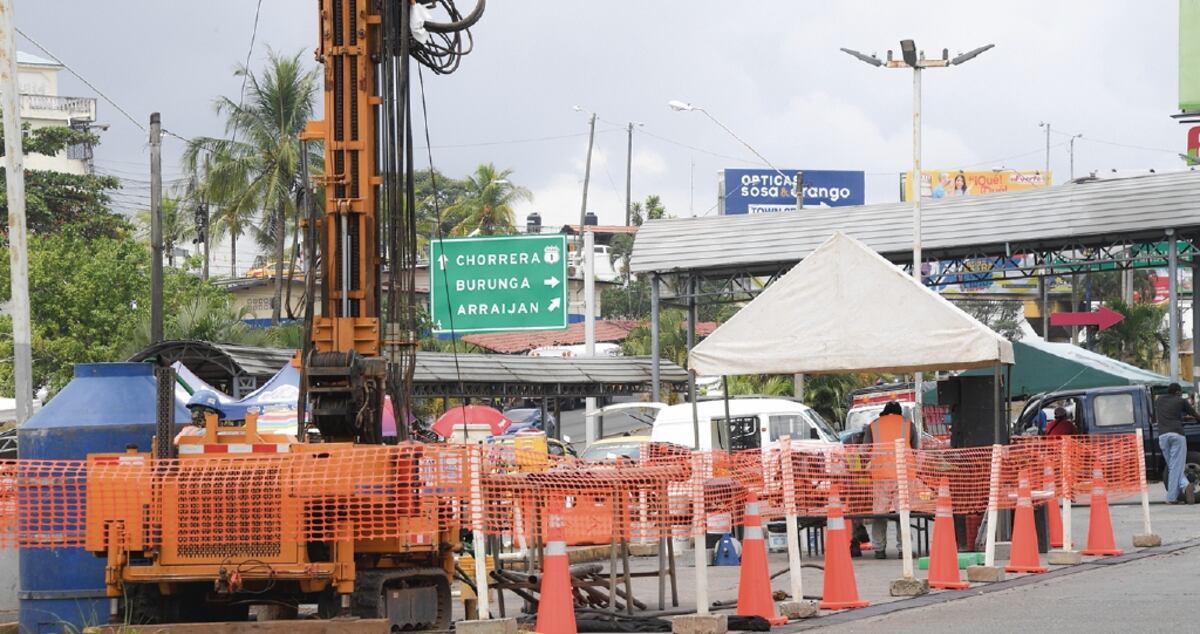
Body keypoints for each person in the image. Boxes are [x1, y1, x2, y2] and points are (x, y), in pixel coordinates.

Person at [862, 401, 920, 559]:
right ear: (899, 413)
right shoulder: (908, 425)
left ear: (883, 412)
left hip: (881, 476)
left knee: (880, 513)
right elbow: (916, 450)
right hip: (904, 475)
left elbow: (864, 451)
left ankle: (879, 549)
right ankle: (904, 549)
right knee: (903, 512)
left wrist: (862, 467)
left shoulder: (873, 425)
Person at [1155, 383, 1198, 504]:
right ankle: (1173, 497)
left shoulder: (1159, 400)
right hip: (1177, 435)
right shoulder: (1181, 401)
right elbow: (1195, 415)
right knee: (1176, 467)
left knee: (1173, 467)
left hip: (1163, 436)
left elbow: (1167, 413)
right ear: (1178, 392)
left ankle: (1184, 485)